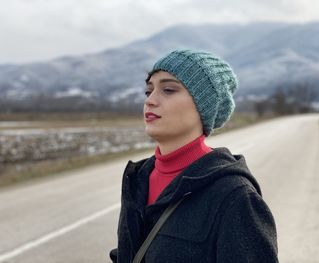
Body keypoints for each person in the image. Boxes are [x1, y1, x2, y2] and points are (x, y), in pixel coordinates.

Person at [110, 49, 278, 262]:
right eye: (148, 91)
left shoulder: (235, 196)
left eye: (168, 89)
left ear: (203, 106)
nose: (150, 101)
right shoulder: (138, 179)